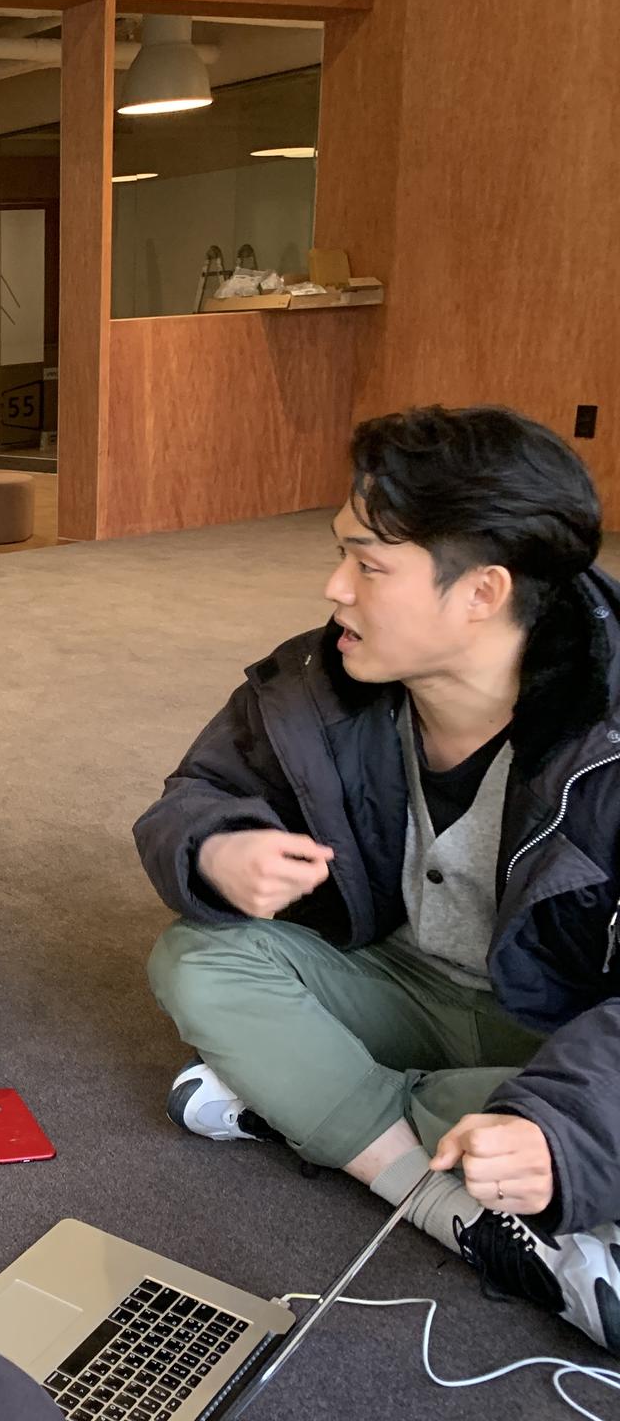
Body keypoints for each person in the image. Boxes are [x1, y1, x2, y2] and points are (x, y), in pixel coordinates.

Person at [135, 406, 620, 1354]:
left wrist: (562, 1128)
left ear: (481, 591)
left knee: (558, 1125)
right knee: (199, 960)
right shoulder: (316, 681)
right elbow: (194, 796)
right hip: (397, 980)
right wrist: (215, 849)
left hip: (567, 1028)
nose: (334, 588)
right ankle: (444, 1201)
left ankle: (310, 1103)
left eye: (368, 565)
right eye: (340, 554)